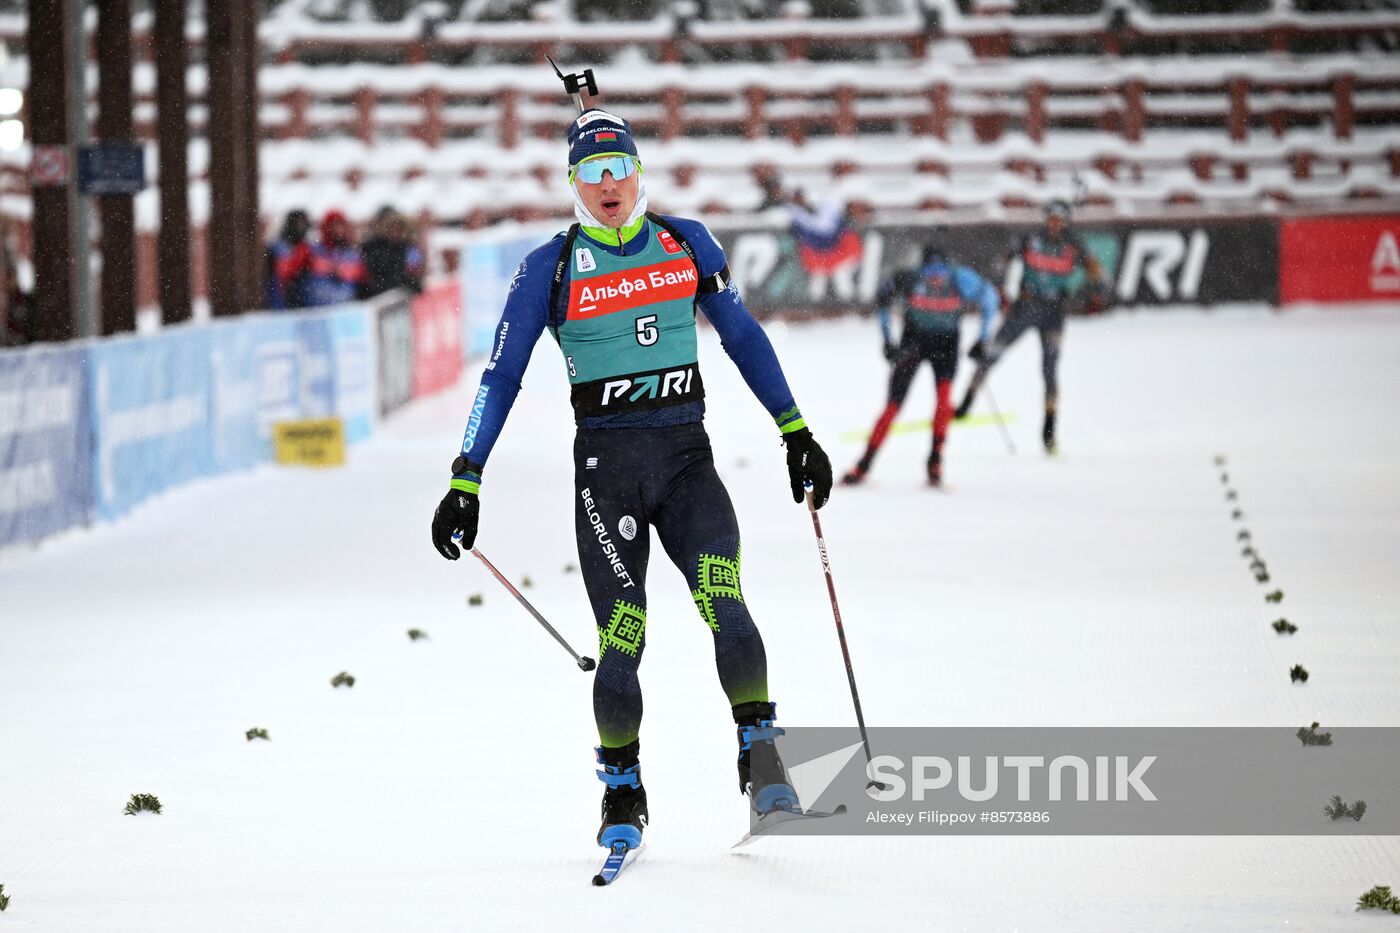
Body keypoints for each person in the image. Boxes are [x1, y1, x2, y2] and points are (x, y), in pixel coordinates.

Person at [428, 106, 833, 856]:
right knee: (623, 636)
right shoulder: (548, 268)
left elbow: (742, 336)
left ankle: (761, 750)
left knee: (724, 597)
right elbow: (501, 375)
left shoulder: (686, 242)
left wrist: (796, 430)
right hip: (605, 476)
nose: (608, 186)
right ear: (573, 183)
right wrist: (467, 477)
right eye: (592, 173)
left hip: (687, 463)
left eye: (619, 170)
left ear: (639, 174)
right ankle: (622, 788)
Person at [954, 199, 1107, 455]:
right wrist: (1000, 288)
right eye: (1051, 219)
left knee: (1049, 369)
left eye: (1060, 220)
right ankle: (965, 405)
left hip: (1054, 313)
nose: (1055, 225)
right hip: (1025, 308)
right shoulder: (1030, 239)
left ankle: (1049, 431)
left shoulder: (1074, 245)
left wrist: (1094, 294)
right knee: (992, 354)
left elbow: (1097, 275)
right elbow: (1000, 261)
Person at [842, 242, 999, 488]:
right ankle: (865, 463)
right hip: (914, 344)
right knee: (894, 406)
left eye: (940, 274)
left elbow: (991, 298)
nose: (936, 280)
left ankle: (934, 461)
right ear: (923, 270)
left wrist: (983, 338)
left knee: (942, 401)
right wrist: (887, 340)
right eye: (931, 275)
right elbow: (883, 300)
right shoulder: (909, 278)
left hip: (944, 345)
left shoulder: (959, 278)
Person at [786, 188, 864, 303]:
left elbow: (836, 230)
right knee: (818, 281)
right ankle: (814, 308)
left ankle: (850, 306)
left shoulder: (829, 210)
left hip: (838, 251)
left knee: (841, 277)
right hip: (818, 254)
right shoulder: (796, 214)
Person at [358, 207, 425, 299]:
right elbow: (378, 274)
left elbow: (414, 271)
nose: (395, 231)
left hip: (399, 295)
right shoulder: (371, 247)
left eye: (398, 227)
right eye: (391, 226)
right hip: (379, 296)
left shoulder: (406, 246)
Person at [304, 210, 366, 307]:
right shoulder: (312, 251)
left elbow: (361, 279)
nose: (338, 230)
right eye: (333, 226)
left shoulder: (352, 254)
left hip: (347, 310)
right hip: (317, 310)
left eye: (341, 226)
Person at [265, 210, 313, 311]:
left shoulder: (308, 249)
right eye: (298, 224)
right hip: (277, 304)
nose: (300, 228)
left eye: (303, 224)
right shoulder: (276, 248)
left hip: (302, 306)